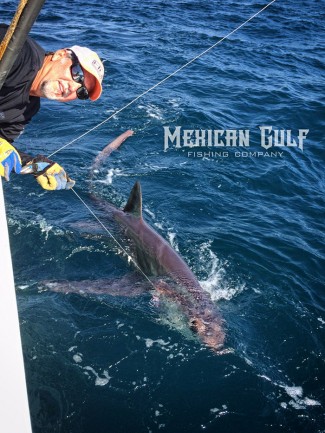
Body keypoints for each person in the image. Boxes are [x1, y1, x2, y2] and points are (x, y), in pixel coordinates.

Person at [0, 24, 104, 190]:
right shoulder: (20, 55)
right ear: (59, 55)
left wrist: (34, 164)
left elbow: (3, 144)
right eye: (77, 74)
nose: (73, 88)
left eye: (82, 92)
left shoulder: (27, 110)